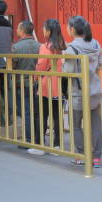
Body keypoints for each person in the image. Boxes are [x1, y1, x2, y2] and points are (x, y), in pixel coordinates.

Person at [63, 16, 102, 168]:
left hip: (77, 92)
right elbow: (99, 64)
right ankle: (97, 157)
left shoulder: (71, 49)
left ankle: (81, 155)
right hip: (95, 90)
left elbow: (68, 71)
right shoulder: (96, 43)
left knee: (75, 125)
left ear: (72, 30)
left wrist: (62, 62)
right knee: (95, 124)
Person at [30, 19, 66, 155]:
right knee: (57, 116)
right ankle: (57, 145)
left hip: (47, 84)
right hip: (60, 84)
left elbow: (41, 65)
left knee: (41, 114)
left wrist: (35, 78)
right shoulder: (63, 46)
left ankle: (40, 145)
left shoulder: (45, 47)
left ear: (49, 31)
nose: (42, 30)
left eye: (44, 28)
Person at [11, 21, 40, 145]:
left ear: (22, 31)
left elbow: (12, 65)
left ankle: (29, 139)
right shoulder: (39, 45)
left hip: (22, 83)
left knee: (26, 112)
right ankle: (38, 138)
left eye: (18, 28)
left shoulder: (16, 47)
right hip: (37, 82)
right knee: (37, 112)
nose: (16, 31)